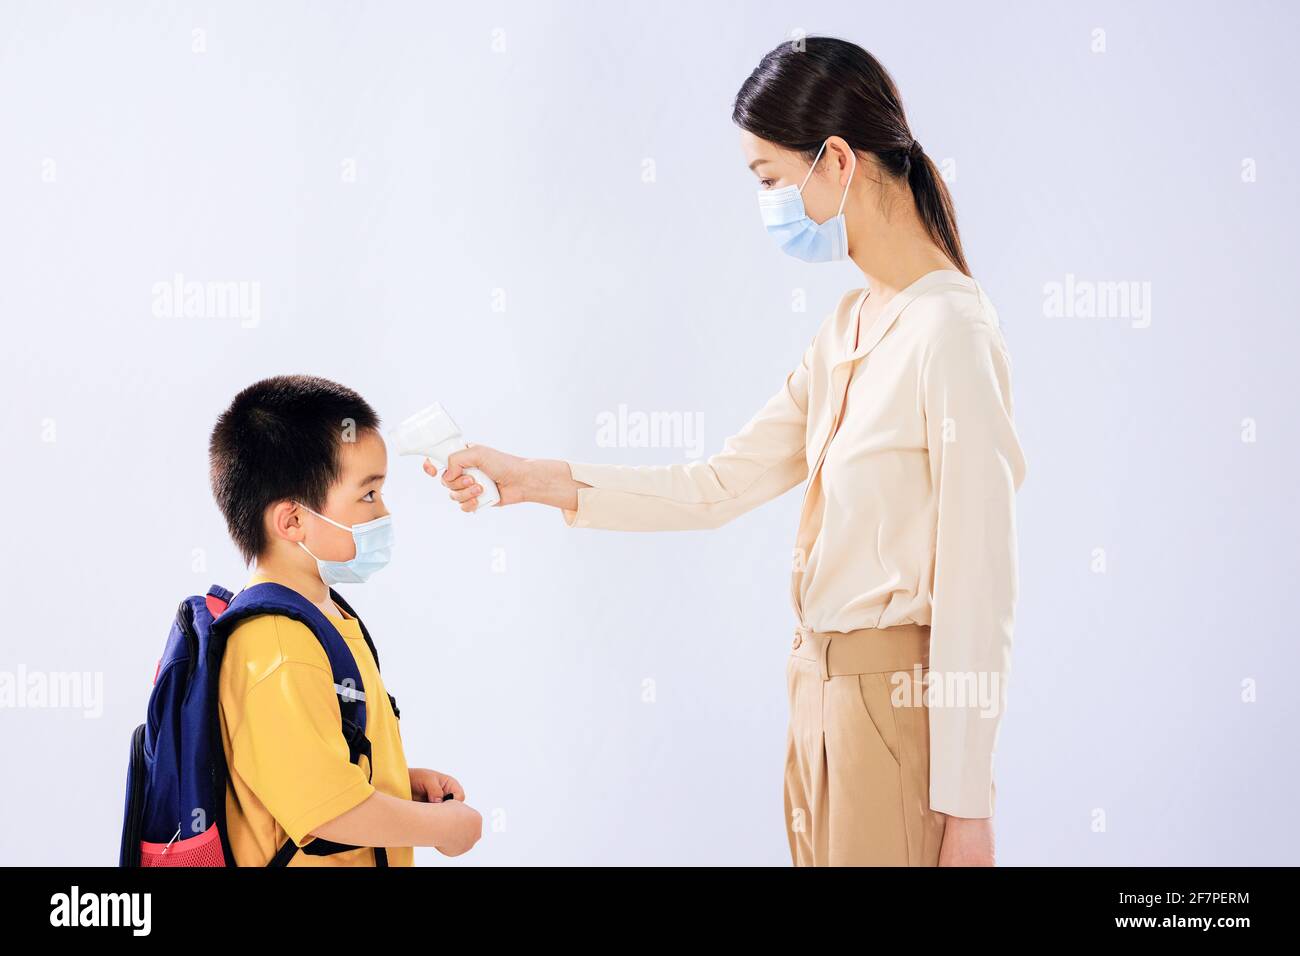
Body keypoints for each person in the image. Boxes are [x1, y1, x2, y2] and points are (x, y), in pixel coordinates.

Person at [428, 37, 1028, 867]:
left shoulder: (951, 331)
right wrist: (535, 479)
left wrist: (967, 807)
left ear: (839, 161)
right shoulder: (849, 327)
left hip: (896, 714)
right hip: (819, 701)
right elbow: (716, 486)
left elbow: (979, 586)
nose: (769, 204)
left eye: (771, 179)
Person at [209, 374, 482, 865]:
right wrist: (442, 827)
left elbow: (314, 769)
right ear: (292, 521)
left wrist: (395, 782)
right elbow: (323, 813)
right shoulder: (278, 645)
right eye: (368, 496)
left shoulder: (323, 618)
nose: (384, 513)